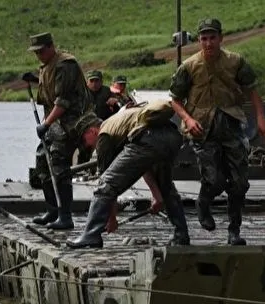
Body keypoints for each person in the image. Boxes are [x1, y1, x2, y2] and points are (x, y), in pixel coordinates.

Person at [169, 18, 265, 245]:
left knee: (239, 184)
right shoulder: (188, 66)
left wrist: (261, 118)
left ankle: (233, 231)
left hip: (231, 126)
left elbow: (252, 90)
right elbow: (175, 100)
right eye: (204, 39)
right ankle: (203, 203)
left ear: (220, 38)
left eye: (212, 37)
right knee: (214, 180)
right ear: (199, 41)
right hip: (202, 130)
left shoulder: (235, 62)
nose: (208, 43)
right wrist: (188, 118)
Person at [66, 100, 190, 249]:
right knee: (167, 188)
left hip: (148, 139)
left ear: (91, 131)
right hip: (172, 137)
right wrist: (157, 195)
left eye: (84, 141)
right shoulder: (122, 121)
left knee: (103, 186)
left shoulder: (104, 135)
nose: (86, 146)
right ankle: (181, 235)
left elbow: (108, 186)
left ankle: (90, 235)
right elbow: (143, 165)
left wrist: (111, 219)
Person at [24, 32, 100, 230]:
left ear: (51, 47)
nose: (38, 56)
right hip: (58, 122)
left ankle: (65, 216)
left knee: (59, 164)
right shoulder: (47, 65)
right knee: (43, 162)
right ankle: (53, 210)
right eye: (36, 53)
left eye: (41, 51)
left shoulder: (66, 65)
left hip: (75, 120)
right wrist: (33, 80)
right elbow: (50, 88)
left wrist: (46, 124)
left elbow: (63, 101)